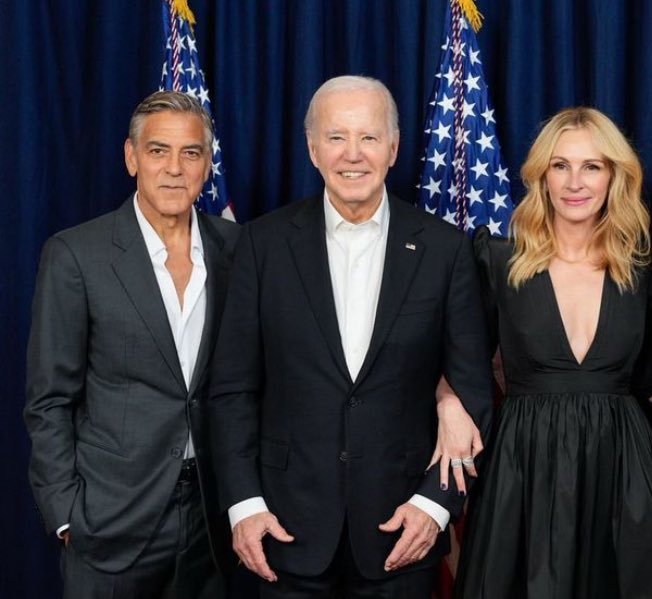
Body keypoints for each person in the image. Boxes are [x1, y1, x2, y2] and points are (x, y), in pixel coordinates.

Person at [206, 75, 494, 598]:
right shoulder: (261, 245)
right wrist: (245, 505)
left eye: (369, 137)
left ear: (394, 147)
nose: (353, 154)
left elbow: (473, 389)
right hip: (280, 532)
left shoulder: (446, 250)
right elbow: (231, 390)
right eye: (337, 137)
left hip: (402, 533)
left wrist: (433, 506)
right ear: (313, 149)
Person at [449, 106, 652, 598]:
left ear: (614, 175)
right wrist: (448, 402)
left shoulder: (643, 267)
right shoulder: (497, 259)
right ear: (542, 176)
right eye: (561, 165)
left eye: (592, 166)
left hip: (621, 470)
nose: (576, 182)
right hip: (522, 470)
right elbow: (453, 358)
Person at [23, 91, 239, 598]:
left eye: (190, 153)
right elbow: (49, 397)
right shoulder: (77, 255)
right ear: (131, 157)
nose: (173, 169)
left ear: (207, 164)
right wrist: (67, 516)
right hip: (109, 522)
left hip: (211, 521)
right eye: (158, 151)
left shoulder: (238, 249)